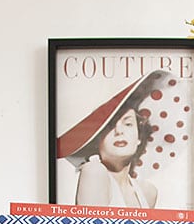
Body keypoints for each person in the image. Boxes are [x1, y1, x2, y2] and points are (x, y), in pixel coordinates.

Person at [56, 71, 169, 207]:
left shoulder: (148, 192)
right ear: (97, 141)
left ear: (139, 137)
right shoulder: (94, 172)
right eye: (109, 127)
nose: (119, 131)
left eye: (128, 124)